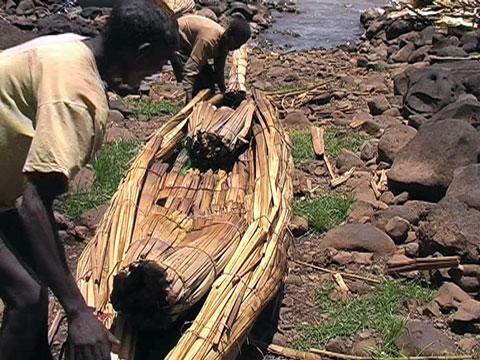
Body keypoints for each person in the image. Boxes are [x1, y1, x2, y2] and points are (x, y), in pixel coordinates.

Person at [0, 0, 179, 359]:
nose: (158, 73)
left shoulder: (73, 46)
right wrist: (79, 312)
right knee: (27, 298)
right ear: (140, 52)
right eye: (158, 63)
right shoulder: (77, 97)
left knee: (38, 277)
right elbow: (34, 206)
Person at [172, 14, 251, 103]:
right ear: (229, 33)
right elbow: (190, 70)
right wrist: (189, 99)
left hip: (191, 45)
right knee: (198, 84)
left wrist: (223, 90)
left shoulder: (225, 42)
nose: (237, 47)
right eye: (237, 43)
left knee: (209, 82)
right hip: (175, 42)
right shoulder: (208, 41)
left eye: (240, 45)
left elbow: (219, 68)